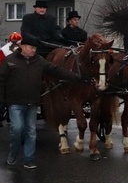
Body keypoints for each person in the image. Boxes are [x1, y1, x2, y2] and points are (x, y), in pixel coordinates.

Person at [0, 35, 84, 169]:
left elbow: (56, 70)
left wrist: (75, 77)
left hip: (32, 102)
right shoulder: (9, 61)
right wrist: (2, 101)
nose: (34, 50)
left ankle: (29, 159)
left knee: (31, 131)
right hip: (15, 102)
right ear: (23, 47)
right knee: (17, 130)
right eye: (31, 48)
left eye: (35, 48)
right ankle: (13, 153)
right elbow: (1, 81)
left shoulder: (39, 61)